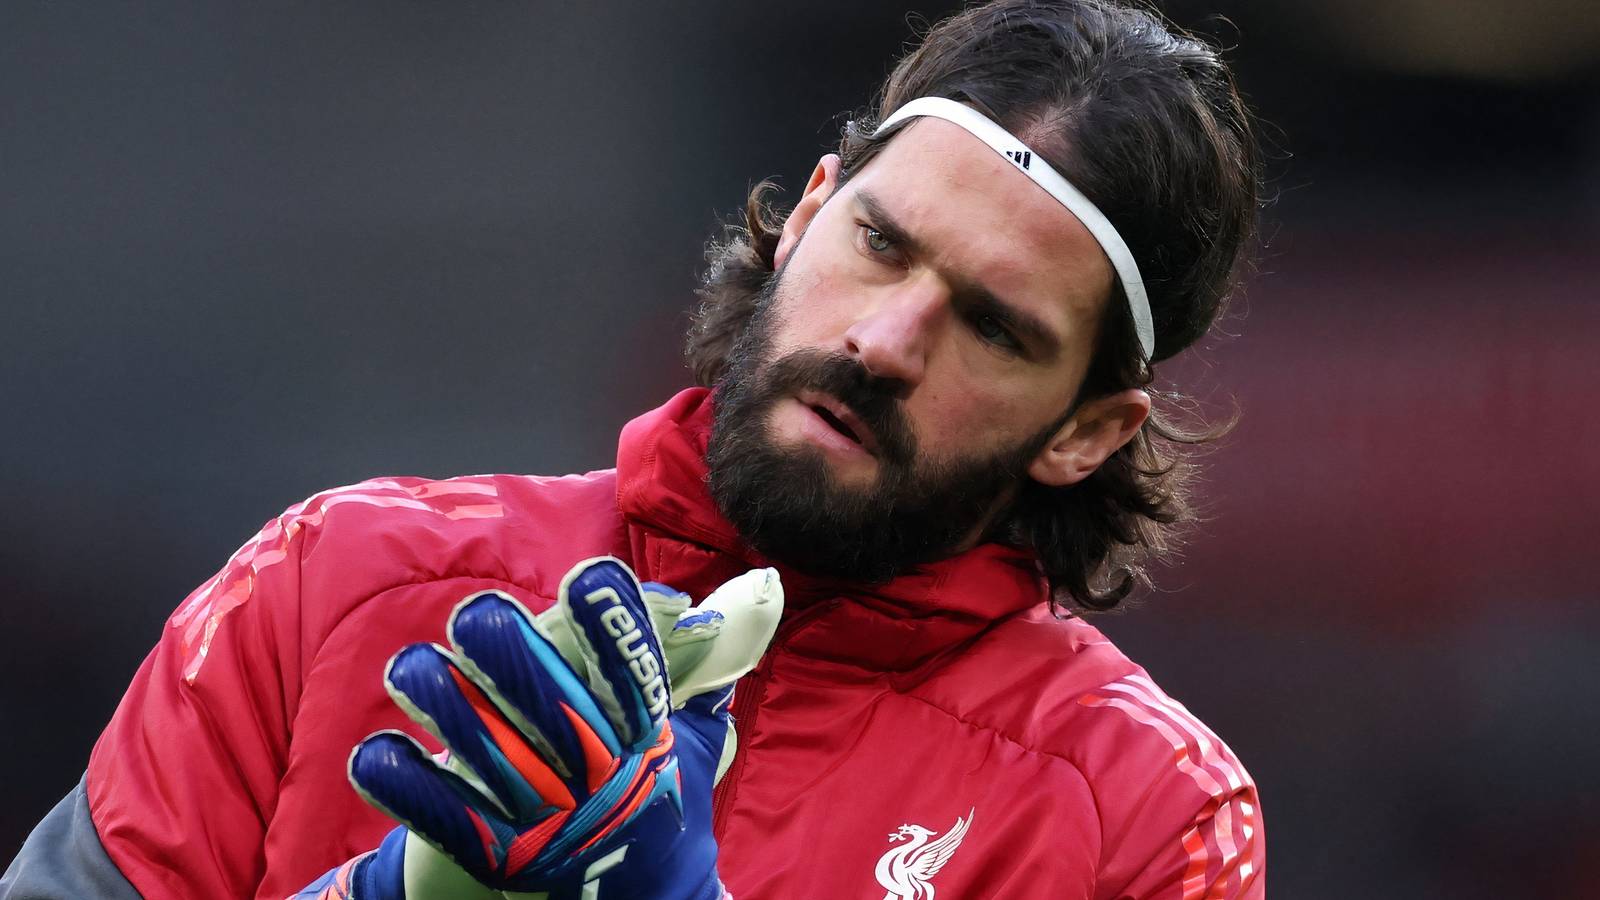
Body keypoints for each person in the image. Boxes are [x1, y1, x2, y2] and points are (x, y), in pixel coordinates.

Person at [2, 0, 1266, 896]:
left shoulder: (1147, 821)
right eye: (881, 243)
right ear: (808, 213)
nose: (885, 342)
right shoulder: (333, 580)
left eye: (990, 326)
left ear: (1086, 432)